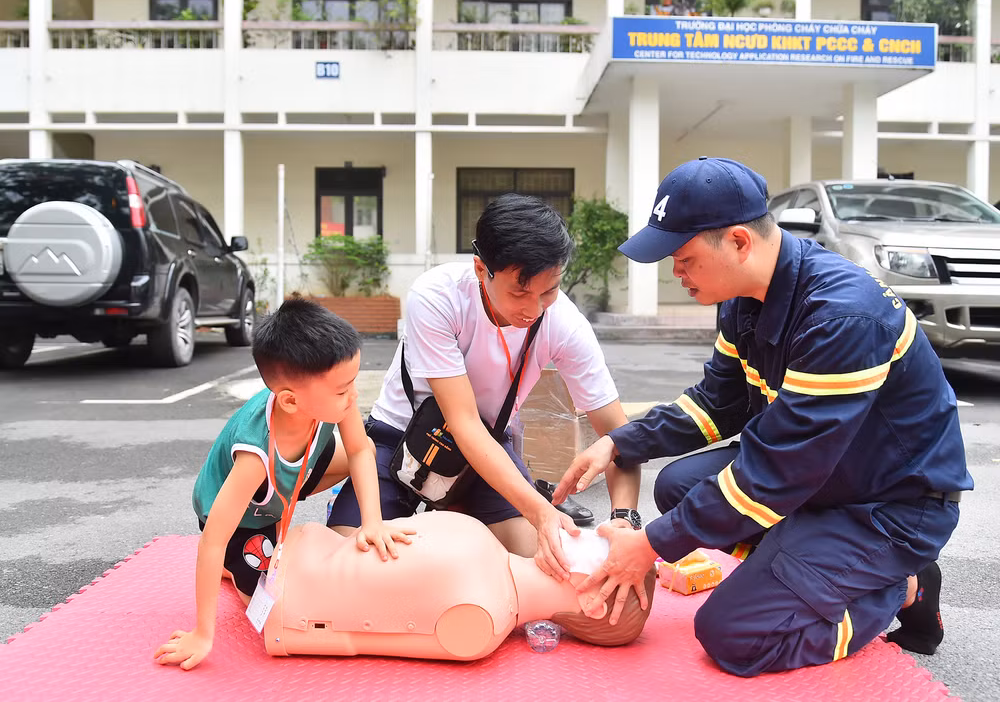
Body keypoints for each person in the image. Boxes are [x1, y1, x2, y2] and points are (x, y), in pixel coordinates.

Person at [554, 157, 973, 677]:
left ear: (737, 242)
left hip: (889, 505)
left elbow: (776, 472)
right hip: (829, 479)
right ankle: (802, 571)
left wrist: (649, 546)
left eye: (682, 258)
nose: (675, 273)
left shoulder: (841, 316)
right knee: (679, 486)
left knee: (734, 636)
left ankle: (896, 587)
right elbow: (717, 404)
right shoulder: (745, 299)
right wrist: (619, 443)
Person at [328, 194, 642, 594]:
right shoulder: (436, 296)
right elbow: (462, 423)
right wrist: (540, 510)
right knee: (348, 569)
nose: (535, 309)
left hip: (487, 453)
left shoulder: (564, 323)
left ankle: (457, 531)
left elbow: (621, 435)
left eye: (550, 290)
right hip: (400, 441)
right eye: (519, 292)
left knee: (554, 569)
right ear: (481, 268)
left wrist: (625, 519)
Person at [154, 298, 413, 671]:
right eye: (343, 391)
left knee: (372, 451)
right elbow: (212, 540)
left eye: (353, 383)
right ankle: (236, 567)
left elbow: (358, 451)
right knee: (272, 603)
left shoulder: (326, 401)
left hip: (293, 471)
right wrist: (202, 633)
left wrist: (373, 522)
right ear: (291, 401)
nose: (354, 396)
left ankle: (284, 508)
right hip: (244, 517)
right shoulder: (254, 455)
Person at [264, 510, 656, 660]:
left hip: (287, 601)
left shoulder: (480, 620)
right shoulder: (486, 549)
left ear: (593, 602)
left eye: (601, 548)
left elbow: (362, 638)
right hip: (298, 552)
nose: (590, 530)